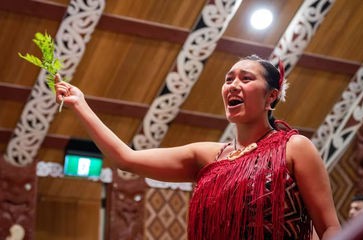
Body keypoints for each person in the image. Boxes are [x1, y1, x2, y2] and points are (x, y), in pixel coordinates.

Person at [54, 55, 341, 239]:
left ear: (271, 97)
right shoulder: (206, 156)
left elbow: (329, 228)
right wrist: (81, 104)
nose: (233, 85)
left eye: (246, 78)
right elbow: (125, 158)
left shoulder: (294, 148)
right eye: (229, 79)